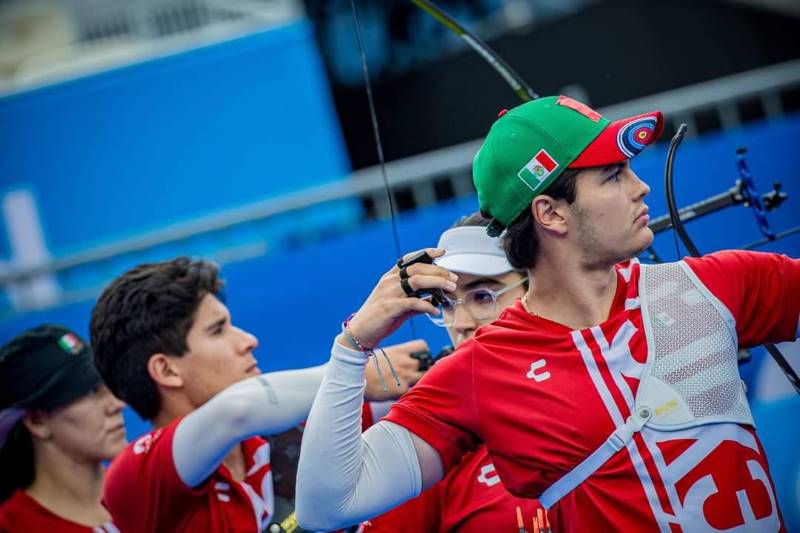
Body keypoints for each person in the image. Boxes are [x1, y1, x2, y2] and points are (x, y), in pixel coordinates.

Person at [295, 95, 800, 532]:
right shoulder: (480, 370)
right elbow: (328, 505)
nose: (639, 187)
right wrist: (353, 345)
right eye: (613, 175)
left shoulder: (719, 282)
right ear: (551, 213)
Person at [89, 257, 423, 532]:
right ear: (167, 370)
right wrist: (352, 367)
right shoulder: (135, 479)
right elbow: (239, 410)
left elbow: (416, 408)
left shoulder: (299, 430)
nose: (248, 340)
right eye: (218, 330)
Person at [364, 213, 546, 532]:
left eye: (482, 297)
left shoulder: (612, 369)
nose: (460, 323)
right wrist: (351, 351)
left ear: (541, 285)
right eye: (447, 304)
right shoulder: (431, 435)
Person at [0, 325, 126, 532]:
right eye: (91, 391)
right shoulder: (14, 526)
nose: (118, 404)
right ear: (37, 421)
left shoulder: (149, 488)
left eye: (107, 385)